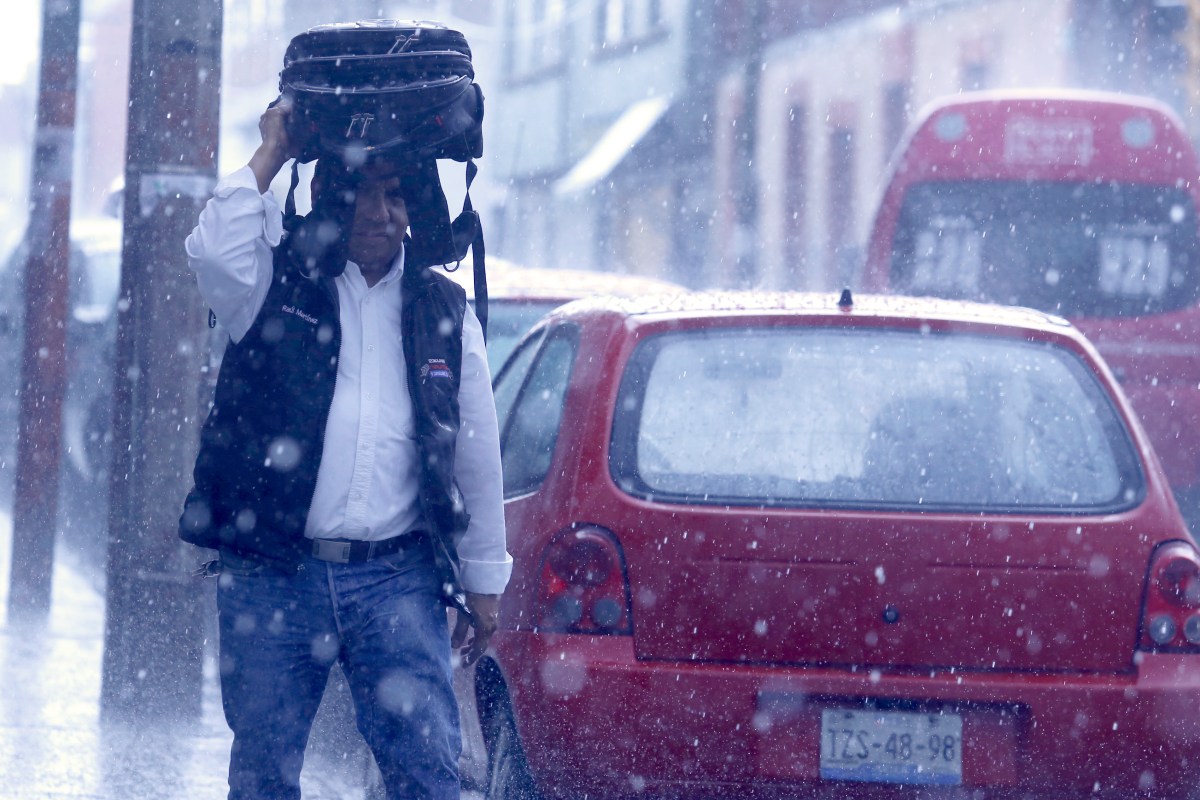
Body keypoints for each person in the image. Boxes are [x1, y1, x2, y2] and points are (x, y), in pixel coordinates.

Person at [178, 99, 511, 800]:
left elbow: (476, 455)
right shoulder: (272, 286)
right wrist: (271, 150)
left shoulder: (442, 313)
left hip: (396, 580)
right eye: (362, 191)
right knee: (264, 776)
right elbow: (212, 252)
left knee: (427, 774)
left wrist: (484, 583)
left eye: (396, 194)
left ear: (416, 206)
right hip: (274, 574)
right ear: (331, 196)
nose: (379, 212)